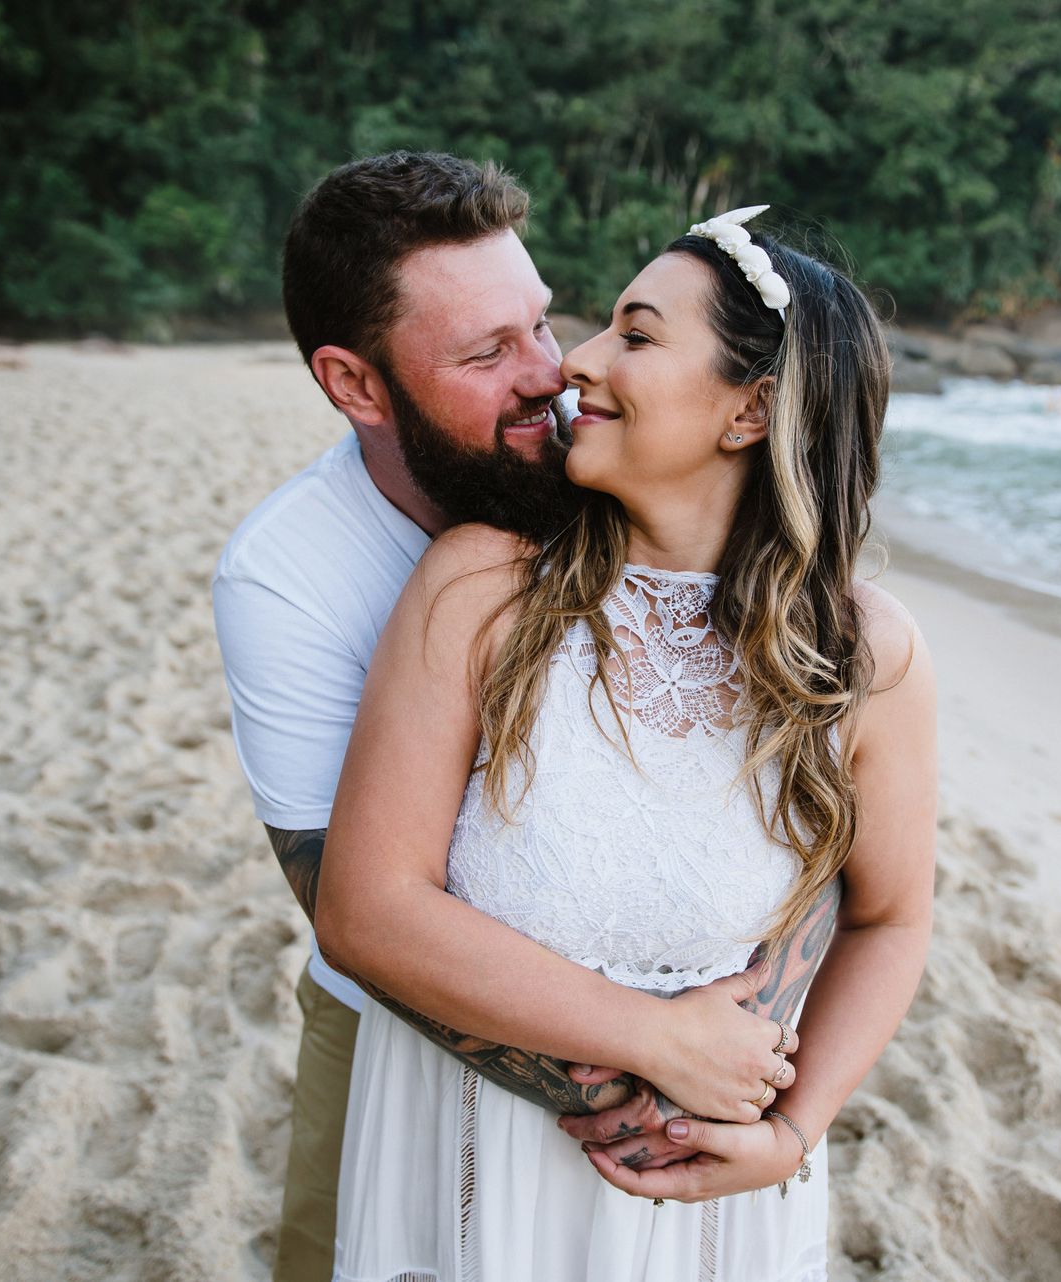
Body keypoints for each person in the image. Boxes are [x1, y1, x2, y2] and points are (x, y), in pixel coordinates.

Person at [213, 156, 844, 1282]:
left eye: (542, 322)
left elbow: (815, 813)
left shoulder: (597, 467)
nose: (553, 373)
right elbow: (354, 908)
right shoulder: (291, 576)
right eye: (485, 353)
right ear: (357, 386)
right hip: (409, 1038)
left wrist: (744, 1088)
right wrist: (654, 1065)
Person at [317, 207, 938, 1278]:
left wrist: (792, 1133)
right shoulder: (482, 588)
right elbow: (364, 910)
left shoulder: (862, 655)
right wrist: (655, 1037)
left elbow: (891, 918)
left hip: (707, 1207)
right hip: (473, 1167)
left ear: (750, 410)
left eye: (636, 336)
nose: (577, 362)